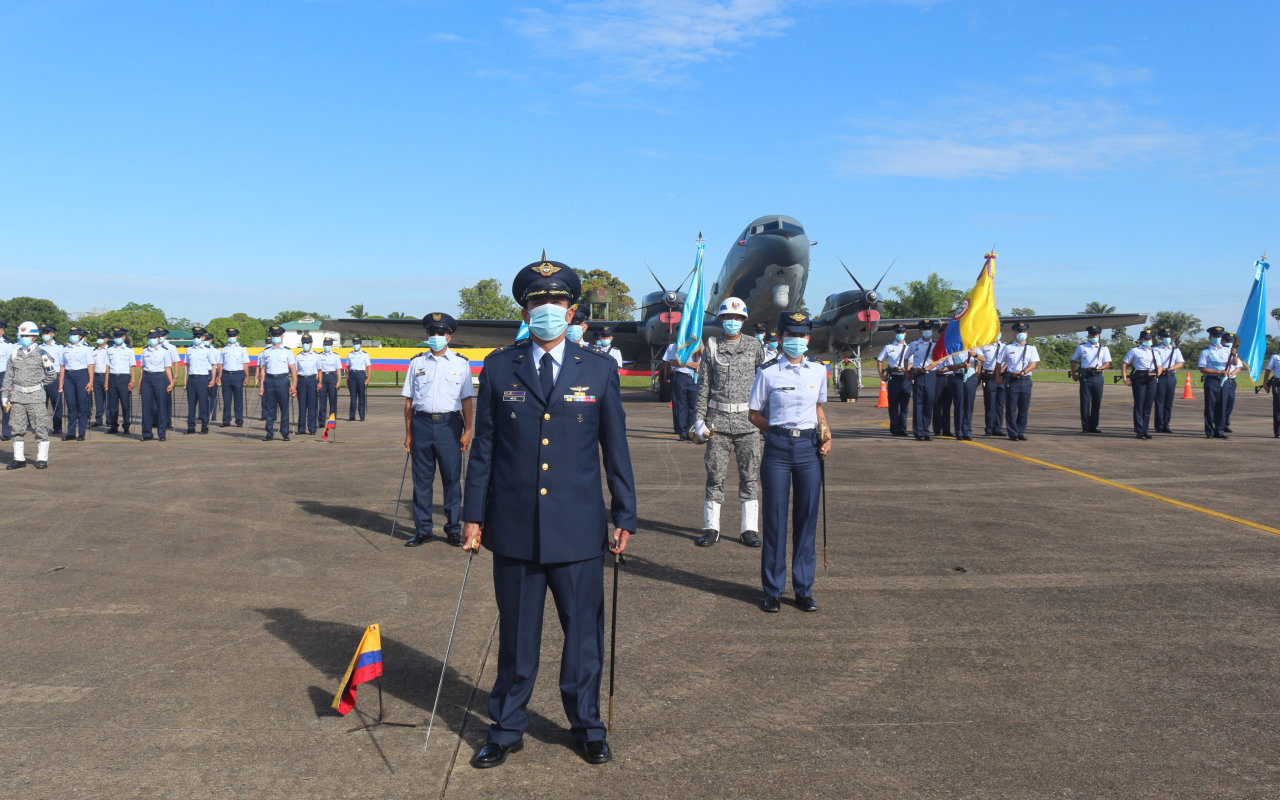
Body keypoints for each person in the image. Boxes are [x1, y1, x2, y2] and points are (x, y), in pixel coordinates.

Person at [462, 257, 635, 769]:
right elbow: (485, 450)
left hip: (579, 528)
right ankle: (506, 727)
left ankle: (587, 725)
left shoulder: (599, 369)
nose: (547, 310)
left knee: (583, 637)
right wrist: (473, 514)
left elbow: (616, 448)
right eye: (537, 302)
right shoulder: (499, 367)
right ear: (525, 308)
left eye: (556, 301)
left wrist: (625, 512)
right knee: (516, 637)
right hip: (512, 526)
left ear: (572, 309)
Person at [748, 310, 832, 613]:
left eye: (803, 335)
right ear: (780, 337)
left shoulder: (818, 371)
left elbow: (819, 408)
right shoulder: (768, 372)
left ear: (809, 337)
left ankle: (803, 589)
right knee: (774, 520)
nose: (798, 340)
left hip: (809, 449)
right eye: (792, 335)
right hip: (778, 449)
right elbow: (754, 414)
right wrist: (778, 432)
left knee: (807, 520)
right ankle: (772, 589)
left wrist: (826, 434)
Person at [691, 297, 765, 548]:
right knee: (714, 475)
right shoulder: (711, 346)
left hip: (748, 423)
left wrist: (766, 420)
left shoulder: (755, 346)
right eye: (728, 318)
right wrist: (699, 419)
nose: (732, 322)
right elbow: (704, 387)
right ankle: (711, 527)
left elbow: (763, 385)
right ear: (721, 319)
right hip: (718, 423)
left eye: (737, 318)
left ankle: (749, 529)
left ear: (743, 320)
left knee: (750, 475)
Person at [401, 313, 474, 547]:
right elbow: (409, 402)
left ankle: (453, 529)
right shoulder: (417, 363)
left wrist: (468, 430)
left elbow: (467, 402)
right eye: (432, 333)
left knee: (452, 479)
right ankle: (423, 530)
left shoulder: (461, 364)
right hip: (421, 424)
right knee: (421, 480)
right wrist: (409, 432)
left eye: (441, 333)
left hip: (449, 425)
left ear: (449, 336)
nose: (436, 337)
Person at [3, 322, 58, 468]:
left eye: (26, 335)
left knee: (40, 427)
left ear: (34, 337)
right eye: (21, 336)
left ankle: (42, 459)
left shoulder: (42, 353)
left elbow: (51, 374)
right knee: (17, 428)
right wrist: (4, 395)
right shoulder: (15, 353)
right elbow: (9, 376)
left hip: (36, 396)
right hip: (18, 396)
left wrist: (39, 384)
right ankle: (19, 459)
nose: (23, 338)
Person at [996, 321, 1039, 440]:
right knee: (1011, 408)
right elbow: (999, 363)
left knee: (1023, 408)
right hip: (1012, 380)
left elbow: (1033, 363)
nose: (1021, 333)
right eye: (1019, 332)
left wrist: (1023, 372)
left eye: (1023, 331)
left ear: (1027, 333)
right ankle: (1013, 433)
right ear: (1014, 334)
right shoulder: (1008, 347)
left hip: (1025, 380)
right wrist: (998, 377)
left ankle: (1021, 432)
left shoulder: (1031, 348)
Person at [257, 326, 298, 441]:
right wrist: (261, 385)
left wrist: (294, 384)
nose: (275, 338)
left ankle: (285, 433)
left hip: (282, 380)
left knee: (284, 408)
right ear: (271, 337)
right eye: (273, 335)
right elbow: (263, 369)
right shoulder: (266, 352)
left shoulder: (287, 351)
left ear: (282, 337)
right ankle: (269, 433)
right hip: (269, 380)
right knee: (269, 408)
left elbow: (293, 369)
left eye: (278, 335)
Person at [1121, 329, 1162, 439]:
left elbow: (1159, 366)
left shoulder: (1155, 352)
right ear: (1140, 340)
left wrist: (1157, 374)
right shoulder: (1134, 351)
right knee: (1139, 404)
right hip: (1140, 377)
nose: (1147, 341)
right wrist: (1125, 379)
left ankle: (1146, 430)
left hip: (1152, 378)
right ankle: (1139, 430)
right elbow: (1125, 364)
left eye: (1149, 339)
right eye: (1145, 339)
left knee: (1148, 406)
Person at [1071, 325, 1111, 434]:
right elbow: (1073, 360)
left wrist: (1098, 368)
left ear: (1099, 335)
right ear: (1088, 335)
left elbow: (1107, 363)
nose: (1094, 336)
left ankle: (1094, 426)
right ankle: (1085, 426)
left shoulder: (1104, 348)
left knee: (1097, 402)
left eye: (1096, 334)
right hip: (1085, 376)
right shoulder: (1082, 347)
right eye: (1092, 334)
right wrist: (1074, 373)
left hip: (1098, 376)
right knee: (1085, 402)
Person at [906, 319, 941, 441]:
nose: (927, 331)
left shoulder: (936, 345)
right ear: (920, 331)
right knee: (918, 404)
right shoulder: (914, 344)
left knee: (929, 404)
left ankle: (926, 431)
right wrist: (907, 372)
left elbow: (938, 361)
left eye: (929, 329)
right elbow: (906, 358)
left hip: (931, 375)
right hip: (918, 375)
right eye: (925, 329)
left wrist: (927, 368)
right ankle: (918, 431)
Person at [138, 328, 175, 442]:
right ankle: (147, 433)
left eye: (154, 338)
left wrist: (171, 382)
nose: (152, 340)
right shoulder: (145, 351)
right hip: (147, 379)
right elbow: (142, 368)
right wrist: (139, 384)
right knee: (146, 407)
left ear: (159, 339)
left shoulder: (164, 351)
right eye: (150, 338)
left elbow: (167, 368)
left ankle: (161, 433)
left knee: (161, 406)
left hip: (160, 377)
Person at [58, 326, 95, 441]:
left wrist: (90, 381)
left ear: (80, 336)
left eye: (74, 335)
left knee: (81, 405)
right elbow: (62, 367)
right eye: (71, 335)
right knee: (71, 405)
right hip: (69, 376)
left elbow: (90, 366)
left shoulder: (85, 349)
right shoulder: (65, 349)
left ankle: (82, 432)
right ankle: (71, 432)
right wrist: (61, 382)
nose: (72, 337)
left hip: (81, 375)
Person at [876, 324, 911, 437]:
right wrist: (882, 375)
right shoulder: (888, 347)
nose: (900, 334)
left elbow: (913, 361)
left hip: (905, 378)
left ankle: (903, 428)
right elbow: (879, 360)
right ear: (895, 334)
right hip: (894, 378)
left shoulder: (909, 347)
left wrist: (907, 369)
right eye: (898, 332)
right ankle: (894, 429)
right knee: (893, 406)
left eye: (902, 332)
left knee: (904, 406)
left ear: (905, 334)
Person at [1197, 326, 1232, 439]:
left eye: (1219, 336)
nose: (1217, 338)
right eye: (1214, 336)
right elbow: (1202, 368)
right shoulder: (1205, 352)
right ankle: (1209, 431)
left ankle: (1219, 430)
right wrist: (1218, 372)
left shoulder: (1228, 350)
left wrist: (1235, 354)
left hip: (1224, 381)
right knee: (1210, 406)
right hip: (1211, 380)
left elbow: (1236, 363)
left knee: (1222, 405)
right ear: (1210, 338)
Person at [663, 338, 699, 441]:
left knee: (693, 407)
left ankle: (691, 431)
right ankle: (682, 432)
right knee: (681, 406)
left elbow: (703, 352)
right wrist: (688, 364)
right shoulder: (676, 345)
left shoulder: (697, 343)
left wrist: (699, 339)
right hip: (681, 376)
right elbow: (673, 362)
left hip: (694, 378)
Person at [183, 327, 217, 435]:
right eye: (194, 336)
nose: (196, 338)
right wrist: (185, 378)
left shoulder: (207, 350)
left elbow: (213, 365)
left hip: (202, 378)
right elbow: (186, 364)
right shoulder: (189, 349)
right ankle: (191, 426)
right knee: (191, 403)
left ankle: (204, 426)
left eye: (198, 336)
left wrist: (213, 379)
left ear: (203, 337)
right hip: (192, 378)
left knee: (203, 403)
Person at [1151, 327, 1184, 433]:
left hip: (1170, 376)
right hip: (1160, 377)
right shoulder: (1155, 350)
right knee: (1159, 402)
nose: (1167, 338)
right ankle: (1159, 425)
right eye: (1165, 337)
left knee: (1168, 402)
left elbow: (1180, 363)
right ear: (1160, 338)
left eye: (1169, 336)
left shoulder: (1175, 350)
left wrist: (1169, 368)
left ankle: (1166, 425)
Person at [940, 348, 978, 441]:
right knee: (959, 405)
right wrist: (961, 365)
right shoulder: (952, 350)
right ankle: (959, 432)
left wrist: (975, 355)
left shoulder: (973, 347)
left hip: (971, 377)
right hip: (958, 377)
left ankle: (967, 431)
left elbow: (984, 359)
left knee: (969, 405)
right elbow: (949, 367)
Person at [217, 327, 250, 427]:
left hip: (237, 375)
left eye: (233, 336)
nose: (231, 337)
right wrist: (219, 376)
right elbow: (221, 364)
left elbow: (245, 364)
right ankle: (226, 420)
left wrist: (247, 376)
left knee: (238, 399)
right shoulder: (224, 349)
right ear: (227, 337)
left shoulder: (242, 349)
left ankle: (239, 420)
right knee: (226, 399)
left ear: (237, 337)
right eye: (230, 336)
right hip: (226, 375)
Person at [104, 328, 134, 435]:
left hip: (124, 378)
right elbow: (107, 366)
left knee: (125, 404)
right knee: (113, 404)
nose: (117, 339)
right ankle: (113, 426)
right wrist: (106, 380)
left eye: (119, 337)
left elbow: (132, 366)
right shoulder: (110, 350)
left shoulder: (129, 350)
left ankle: (126, 426)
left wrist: (133, 380)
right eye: (116, 337)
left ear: (124, 338)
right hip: (112, 378)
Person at [974, 334, 1006, 436]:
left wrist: (999, 371)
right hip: (989, 376)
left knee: (1000, 404)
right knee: (989, 403)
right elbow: (979, 361)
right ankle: (989, 428)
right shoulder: (984, 346)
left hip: (1001, 376)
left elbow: (1008, 361)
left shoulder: (1006, 346)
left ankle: (998, 428)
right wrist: (978, 376)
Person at [38, 325, 65, 436]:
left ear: (52, 334)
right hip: (42, 377)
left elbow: (62, 365)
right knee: (40, 404)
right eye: (44, 333)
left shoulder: (59, 347)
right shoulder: (38, 347)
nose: (45, 335)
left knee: (56, 403)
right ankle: (41, 426)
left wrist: (61, 383)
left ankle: (57, 427)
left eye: (47, 333)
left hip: (54, 377)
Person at [294, 334, 321, 435]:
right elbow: (295, 371)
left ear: (311, 343)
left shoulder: (316, 355)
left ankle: (312, 428)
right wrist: (294, 385)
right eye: (304, 343)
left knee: (312, 405)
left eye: (307, 342)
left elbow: (319, 370)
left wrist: (320, 382)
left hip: (311, 380)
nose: (305, 344)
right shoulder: (298, 356)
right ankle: (301, 428)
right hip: (301, 381)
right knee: (302, 405)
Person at [156, 328, 180, 432]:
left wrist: (175, 377)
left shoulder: (170, 347)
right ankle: (155, 420)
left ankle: (167, 421)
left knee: (165, 399)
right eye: (158, 335)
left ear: (165, 336)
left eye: (162, 335)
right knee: (154, 399)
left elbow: (176, 362)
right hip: (156, 373)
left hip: (166, 373)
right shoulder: (153, 346)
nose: (160, 337)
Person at [1220, 333, 1245, 433]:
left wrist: (1231, 374)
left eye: (1231, 341)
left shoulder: (1235, 354)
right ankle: (1219, 424)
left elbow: (1238, 367)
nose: (1229, 343)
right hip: (1222, 380)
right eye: (1227, 341)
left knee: (1230, 404)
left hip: (1231, 381)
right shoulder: (1220, 352)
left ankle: (1226, 424)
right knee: (1221, 403)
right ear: (1222, 341)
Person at [346, 336, 372, 421]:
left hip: (361, 374)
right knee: (353, 396)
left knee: (361, 396)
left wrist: (368, 378)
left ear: (361, 345)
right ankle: (352, 416)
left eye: (357, 344)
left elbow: (369, 366)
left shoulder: (364, 354)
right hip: (352, 375)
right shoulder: (350, 354)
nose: (355, 345)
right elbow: (348, 368)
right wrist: (347, 379)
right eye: (354, 344)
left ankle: (362, 416)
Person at [317, 338, 342, 425]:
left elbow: (338, 369)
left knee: (333, 400)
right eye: (325, 345)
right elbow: (318, 369)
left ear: (331, 346)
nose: (326, 346)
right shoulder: (319, 355)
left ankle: (332, 420)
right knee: (322, 401)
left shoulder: (335, 355)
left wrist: (339, 381)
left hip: (332, 377)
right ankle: (321, 421)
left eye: (328, 345)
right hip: (322, 377)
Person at [90, 330, 109, 428]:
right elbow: (92, 366)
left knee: (108, 400)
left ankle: (109, 419)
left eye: (101, 338)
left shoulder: (109, 350)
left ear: (106, 339)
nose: (99, 339)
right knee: (98, 399)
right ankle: (98, 419)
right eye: (98, 337)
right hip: (97, 376)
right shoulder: (94, 351)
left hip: (107, 376)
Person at [1264, 350, 1280, 438]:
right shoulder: (1275, 357)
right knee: (1278, 407)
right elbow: (1268, 370)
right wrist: (1265, 383)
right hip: (1278, 384)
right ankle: (1278, 431)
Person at [0, 321, 12, 441]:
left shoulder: (8, 345)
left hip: (3, 376)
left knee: (5, 405)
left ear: (2, 332)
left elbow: (11, 364)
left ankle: (6, 432)